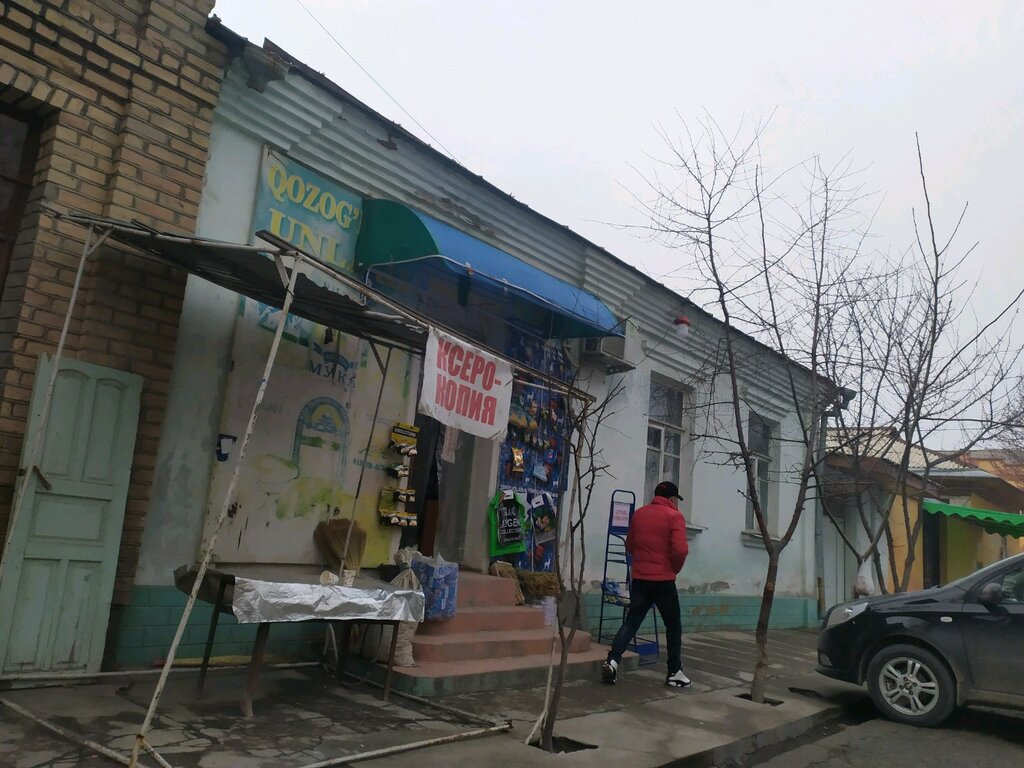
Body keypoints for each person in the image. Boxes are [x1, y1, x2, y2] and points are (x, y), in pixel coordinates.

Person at [601, 480, 690, 688]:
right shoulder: (675, 516)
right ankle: (674, 671)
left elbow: (630, 544)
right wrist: (673, 569)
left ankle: (612, 660)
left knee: (631, 621)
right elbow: (681, 550)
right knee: (673, 625)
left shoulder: (639, 514)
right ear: (673, 498)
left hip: (641, 579)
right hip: (664, 581)